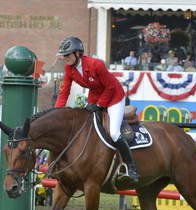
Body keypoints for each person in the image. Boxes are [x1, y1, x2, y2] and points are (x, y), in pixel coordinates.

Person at [54, 36, 139, 185]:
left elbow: (111, 87)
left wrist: (100, 105)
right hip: (94, 97)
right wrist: (56, 112)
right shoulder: (69, 69)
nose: (64, 58)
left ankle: (130, 167)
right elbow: (64, 92)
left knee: (113, 132)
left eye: (67, 55)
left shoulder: (96, 64)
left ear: (78, 53)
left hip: (114, 98)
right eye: (63, 55)